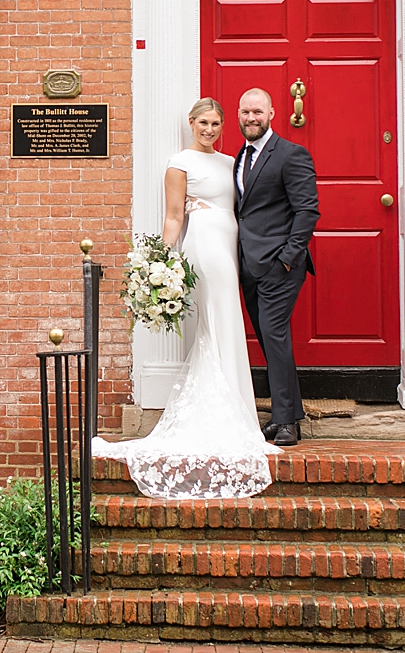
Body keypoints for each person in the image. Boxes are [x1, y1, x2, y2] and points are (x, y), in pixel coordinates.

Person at [93, 97, 281, 499]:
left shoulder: (232, 160)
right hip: (205, 244)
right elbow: (174, 215)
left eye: (216, 123)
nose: (209, 129)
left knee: (226, 322)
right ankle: (233, 413)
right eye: (203, 123)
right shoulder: (180, 163)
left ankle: (235, 406)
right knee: (220, 317)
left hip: (232, 242)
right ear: (191, 123)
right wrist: (163, 260)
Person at [232, 87, 320, 446]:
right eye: (244, 112)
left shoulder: (290, 154)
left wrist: (288, 258)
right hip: (247, 265)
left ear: (271, 114)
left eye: (257, 112)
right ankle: (289, 410)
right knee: (272, 341)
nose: (250, 118)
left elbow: (307, 210)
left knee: (274, 335)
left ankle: (285, 423)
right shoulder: (239, 156)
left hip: (279, 267)